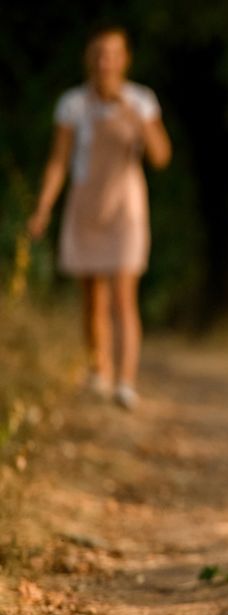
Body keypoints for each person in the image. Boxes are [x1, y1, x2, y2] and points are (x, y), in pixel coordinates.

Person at [27, 25, 171, 410]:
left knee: (124, 296)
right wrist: (43, 206)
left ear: (125, 59)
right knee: (92, 297)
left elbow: (160, 156)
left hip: (125, 208)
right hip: (85, 204)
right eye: (98, 54)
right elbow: (59, 161)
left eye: (112, 54)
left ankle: (126, 381)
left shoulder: (141, 101)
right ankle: (99, 372)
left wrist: (136, 119)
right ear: (89, 59)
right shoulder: (72, 105)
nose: (105, 62)